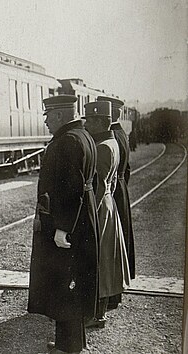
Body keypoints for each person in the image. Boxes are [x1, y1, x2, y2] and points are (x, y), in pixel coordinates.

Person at [27, 95, 99, 354]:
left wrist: (63, 228)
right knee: (72, 282)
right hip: (81, 219)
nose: (45, 120)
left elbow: (71, 190)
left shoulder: (67, 142)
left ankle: (68, 348)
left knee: (63, 284)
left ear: (60, 115)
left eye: (49, 115)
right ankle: (74, 342)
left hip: (67, 226)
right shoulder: (83, 137)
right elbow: (90, 184)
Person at [83, 101, 131, 328]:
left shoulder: (103, 147)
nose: (86, 124)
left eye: (90, 121)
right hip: (108, 207)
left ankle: (97, 315)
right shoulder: (111, 142)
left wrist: (90, 214)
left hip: (101, 208)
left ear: (102, 122)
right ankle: (97, 313)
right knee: (104, 261)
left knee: (99, 260)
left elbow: (99, 186)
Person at [97, 96, 135, 310]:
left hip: (112, 191)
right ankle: (114, 293)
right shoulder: (121, 134)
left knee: (109, 247)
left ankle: (111, 295)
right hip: (119, 188)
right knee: (118, 243)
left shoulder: (112, 138)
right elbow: (127, 169)